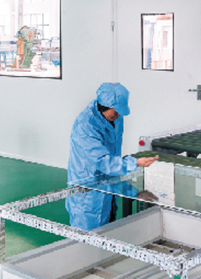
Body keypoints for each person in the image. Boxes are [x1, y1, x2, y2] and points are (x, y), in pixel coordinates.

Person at [65, 82, 158, 230]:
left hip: (108, 185)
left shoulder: (115, 118)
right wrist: (135, 163)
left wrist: (133, 193)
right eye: (116, 111)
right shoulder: (85, 126)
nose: (118, 115)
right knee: (87, 237)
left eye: (120, 111)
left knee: (108, 231)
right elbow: (103, 162)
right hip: (88, 190)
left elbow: (113, 156)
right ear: (104, 106)